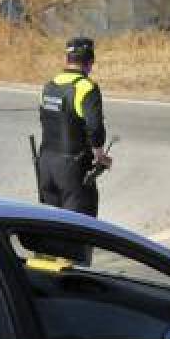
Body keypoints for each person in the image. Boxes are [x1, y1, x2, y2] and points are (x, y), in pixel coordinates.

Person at [37, 37, 111, 217]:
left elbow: (45, 121)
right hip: (72, 168)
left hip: (45, 165)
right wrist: (100, 156)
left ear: (67, 59)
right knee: (80, 231)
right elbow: (95, 128)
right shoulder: (86, 88)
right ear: (91, 62)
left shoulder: (49, 86)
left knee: (51, 228)